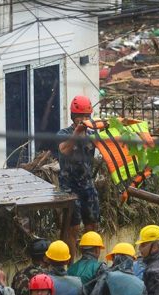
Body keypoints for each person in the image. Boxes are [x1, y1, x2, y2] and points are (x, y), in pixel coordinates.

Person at [57, 95, 100, 261]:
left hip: (87, 185)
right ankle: (71, 264)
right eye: (80, 117)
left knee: (92, 225)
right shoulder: (63, 133)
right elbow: (64, 150)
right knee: (72, 228)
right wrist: (77, 133)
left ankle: (92, 263)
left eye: (86, 116)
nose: (83, 120)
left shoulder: (92, 135)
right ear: (73, 117)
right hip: (69, 188)